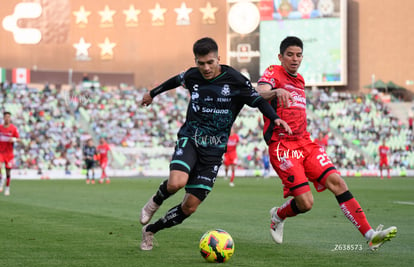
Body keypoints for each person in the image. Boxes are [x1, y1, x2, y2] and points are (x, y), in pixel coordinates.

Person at [139, 37, 292, 251]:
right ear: (196, 61)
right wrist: (152, 94)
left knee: (189, 207)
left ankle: (151, 230)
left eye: (210, 62)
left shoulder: (236, 80)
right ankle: (154, 202)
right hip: (191, 138)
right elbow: (175, 80)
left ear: (218, 58)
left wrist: (274, 117)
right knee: (176, 183)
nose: (206, 68)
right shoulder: (193, 76)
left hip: (214, 150)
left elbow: (256, 100)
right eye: (201, 63)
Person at [256, 36, 397, 251]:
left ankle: (370, 235)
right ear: (280, 57)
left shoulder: (300, 80)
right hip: (283, 147)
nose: (295, 59)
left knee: (337, 182)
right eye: (290, 55)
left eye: (299, 55)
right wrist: (275, 91)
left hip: (306, 143)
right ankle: (278, 215)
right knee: (306, 203)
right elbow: (257, 93)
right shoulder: (273, 72)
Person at [0, 112, 20, 196]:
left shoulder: (13, 128)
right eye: (6, 117)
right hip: (1, 152)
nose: (7, 118)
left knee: (8, 172)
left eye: (9, 117)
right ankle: (1, 181)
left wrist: (14, 140)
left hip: (9, 154)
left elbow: (19, 139)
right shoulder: (0, 128)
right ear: (3, 118)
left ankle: (7, 188)